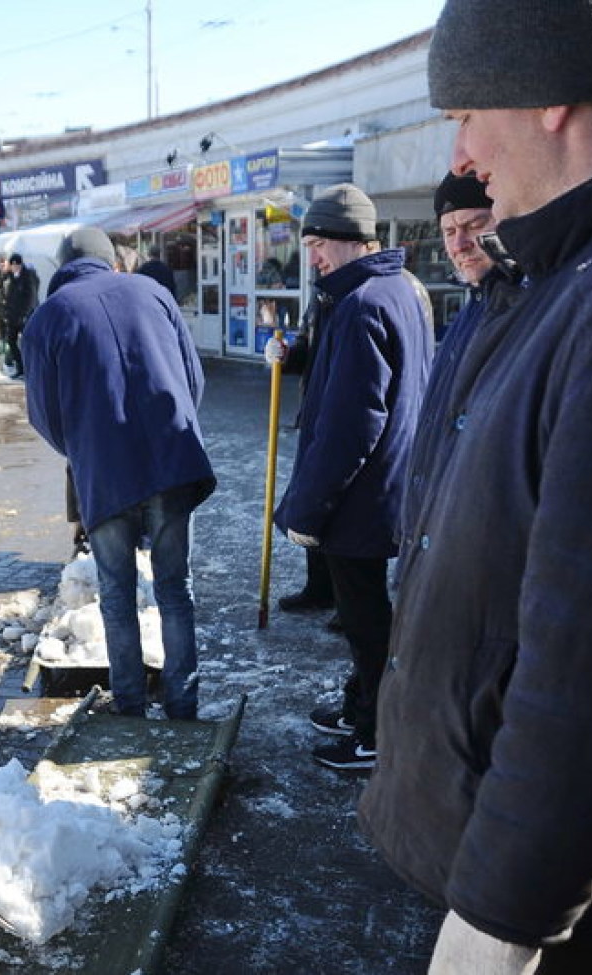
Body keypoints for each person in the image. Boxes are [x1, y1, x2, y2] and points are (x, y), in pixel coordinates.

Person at [359, 2, 592, 973]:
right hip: (530, 864)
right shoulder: (568, 268)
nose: (464, 151)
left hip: (578, 909)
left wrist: (499, 925)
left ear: (551, 97)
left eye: (467, 111)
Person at [267, 183, 431, 771]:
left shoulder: (362, 305)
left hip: (361, 493)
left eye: (317, 245)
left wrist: (308, 512)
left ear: (349, 241)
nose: (312, 257)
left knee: (366, 621)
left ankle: (379, 731)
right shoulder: (398, 289)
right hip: (388, 481)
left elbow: (350, 426)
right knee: (367, 616)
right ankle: (362, 704)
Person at [23, 226, 216, 720]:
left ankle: (129, 704)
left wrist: (84, 449)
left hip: (106, 476)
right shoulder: (153, 292)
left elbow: (44, 415)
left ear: (63, 267)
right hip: (174, 461)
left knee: (117, 593)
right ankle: (183, 702)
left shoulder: (49, 318)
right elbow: (193, 380)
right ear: (113, 262)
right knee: (176, 589)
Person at [3, 253, 39, 379]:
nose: (14, 267)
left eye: (16, 264)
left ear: (20, 264)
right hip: (13, 316)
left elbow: (31, 297)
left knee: (27, 343)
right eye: (12, 265)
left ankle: (30, 368)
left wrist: (25, 314)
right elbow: (9, 297)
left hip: (26, 316)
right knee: (11, 342)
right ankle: (20, 368)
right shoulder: (11, 278)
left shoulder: (28, 276)